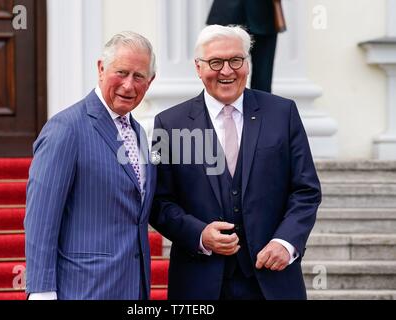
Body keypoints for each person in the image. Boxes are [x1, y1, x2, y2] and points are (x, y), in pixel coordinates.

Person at [150, 25, 321, 300]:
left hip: (273, 280)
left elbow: (306, 190)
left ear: (247, 64)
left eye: (235, 60)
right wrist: (200, 234)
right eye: (216, 62)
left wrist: (285, 242)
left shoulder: (283, 113)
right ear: (198, 67)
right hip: (198, 283)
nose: (227, 71)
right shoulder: (168, 124)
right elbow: (158, 201)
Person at [24, 31, 156, 300]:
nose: (129, 85)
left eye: (139, 76)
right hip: (83, 289)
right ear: (101, 69)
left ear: (150, 81)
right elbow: (40, 219)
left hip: (134, 288)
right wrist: (41, 292)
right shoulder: (66, 128)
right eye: (121, 72)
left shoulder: (139, 133)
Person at [207, 0, 286, 92]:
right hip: (228, 15)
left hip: (264, 14)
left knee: (263, 79)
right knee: (223, 74)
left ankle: (261, 106)